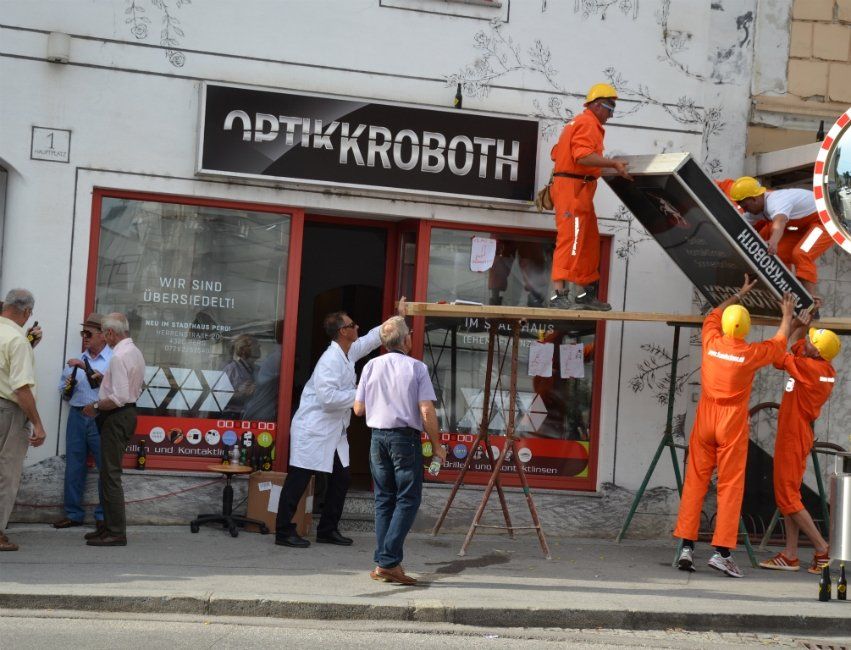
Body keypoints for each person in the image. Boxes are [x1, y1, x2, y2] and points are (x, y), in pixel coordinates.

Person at [674, 275, 795, 578]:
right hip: (731, 423)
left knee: (695, 482)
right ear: (746, 329)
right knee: (729, 487)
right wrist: (787, 314)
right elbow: (779, 342)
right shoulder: (748, 354)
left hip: (705, 418)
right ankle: (722, 553)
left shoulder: (711, 340)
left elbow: (714, 313)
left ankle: (687, 548)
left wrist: (739, 293)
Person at [274, 299, 407, 548]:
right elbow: (328, 399)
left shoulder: (347, 352)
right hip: (313, 430)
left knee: (342, 478)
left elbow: (369, 340)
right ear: (343, 332)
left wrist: (393, 322)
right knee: (299, 480)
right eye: (352, 325)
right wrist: (362, 393)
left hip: (334, 432)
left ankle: (327, 529)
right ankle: (283, 531)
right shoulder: (329, 360)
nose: (357, 327)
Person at [353, 316, 446, 585]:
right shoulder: (416, 368)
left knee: (384, 499)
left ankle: (387, 562)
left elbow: (358, 409)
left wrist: (383, 401)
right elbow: (426, 409)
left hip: (377, 438)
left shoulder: (371, 365)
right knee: (408, 498)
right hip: (404, 439)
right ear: (406, 340)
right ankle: (387, 562)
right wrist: (437, 445)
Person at [759, 321, 840, 574]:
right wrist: (801, 324)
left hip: (793, 436)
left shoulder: (807, 366)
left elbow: (777, 356)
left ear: (815, 352)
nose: (806, 341)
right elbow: (794, 344)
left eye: (811, 341)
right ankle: (790, 555)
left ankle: (823, 548)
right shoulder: (819, 365)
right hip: (798, 432)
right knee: (790, 495)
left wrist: (791, 322)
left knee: (787, 496)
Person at [549, 82, 632, 311]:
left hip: (579, 189)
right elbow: (583, 156)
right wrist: (613, 163)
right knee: (571, 238)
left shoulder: (580, 122)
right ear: (596, 105)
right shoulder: (587, 123)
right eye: (610, 108)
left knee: (588, 241)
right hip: (572, 190)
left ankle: (585, 294)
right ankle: (558, 295)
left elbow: (558, 153)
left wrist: (609, 167)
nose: (611, 115)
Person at [82, 313, 145, 547]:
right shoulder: (134, 352)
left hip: (116, 415)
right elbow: (127, 388)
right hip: (126, 413)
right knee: (109, 473)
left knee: (110, 475)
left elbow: (118, 397)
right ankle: (108, 527)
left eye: (104, 333)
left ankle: (116, 531)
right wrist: (104, 379)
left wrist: (95, 406)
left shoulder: (118, 356)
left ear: (110, 333)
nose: (104, 338)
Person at [52, 313, 112, 531]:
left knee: (106, 468)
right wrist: (67, 388)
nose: (85, 337)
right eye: (82, 333)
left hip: (101, 417)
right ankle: (73, 514)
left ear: (104, 336)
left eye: (89, 333)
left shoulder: (114, 360)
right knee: (74, 466)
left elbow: (116, 389)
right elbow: (63, 393)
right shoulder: (75, 361)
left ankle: (103, 516)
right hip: (77, 415)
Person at [730, 177, 834, 301]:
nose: (742, 208)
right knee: (778, 254)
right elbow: (739, 227)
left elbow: (779, 222)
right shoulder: (755, 211)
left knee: (801, 254)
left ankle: (810, 303)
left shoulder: (776, 201)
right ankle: (788, 298)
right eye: (739, 204)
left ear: (754, 199)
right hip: (802, 227)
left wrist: (773, 242)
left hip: (825, 221)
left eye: (744, 204)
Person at [0, 289, 46, 552]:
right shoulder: (17, 341)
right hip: (8, 411)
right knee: (7, 472)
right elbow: (21, 388)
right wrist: (37, 423)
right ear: (27, 312)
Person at [222, 334, 258, 415]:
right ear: (244, 350)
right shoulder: (231, 369)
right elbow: (219, 395)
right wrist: (239, 392)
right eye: (255, 345)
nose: (259, 347)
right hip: (233, 414)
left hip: (249, 413)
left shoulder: (255, 368)